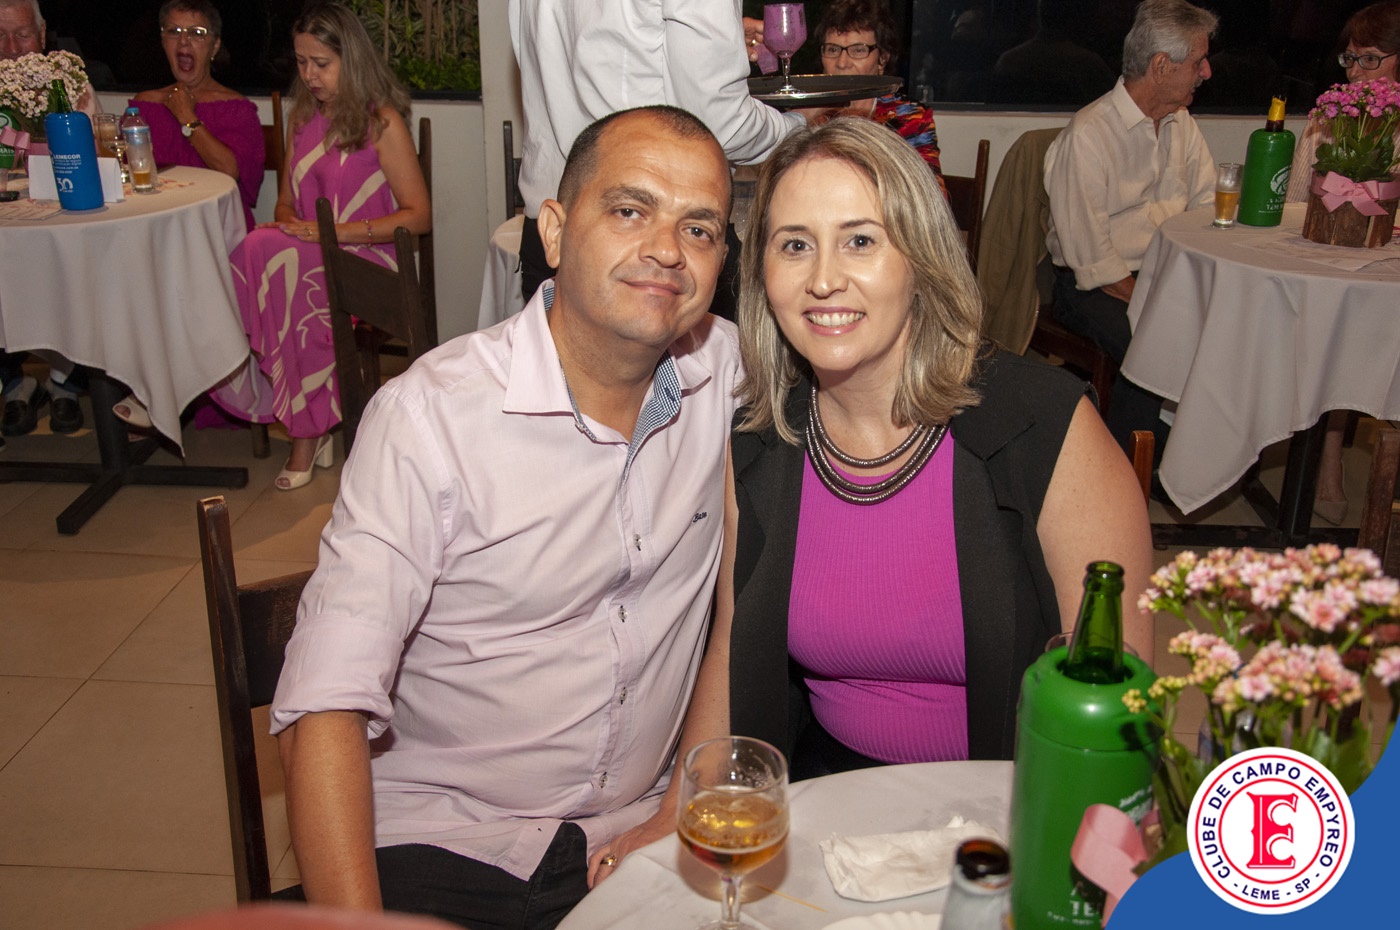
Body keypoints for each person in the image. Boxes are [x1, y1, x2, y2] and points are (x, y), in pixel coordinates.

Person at [591, 118, 1153, 871]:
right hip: (824, 811)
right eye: (795, 245)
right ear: (761, 273)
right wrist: (676, 809)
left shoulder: (1045, 429)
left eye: (860, 240)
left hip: (1013, 813)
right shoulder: (759, 441)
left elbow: (1123, 710)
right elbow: (732, 642)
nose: (824, 279)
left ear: (921, 258)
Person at [270, 105, 742, 928]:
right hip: (447, 840)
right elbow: (324, 702)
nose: (667, 249)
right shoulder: (431, 419)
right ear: (554, 232)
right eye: (629, 210)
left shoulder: (728, 376)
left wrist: (681, 804)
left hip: (642, 835)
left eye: (698, 228)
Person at [205, 2, 429, 491]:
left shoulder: (382, 122)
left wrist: (331, 234)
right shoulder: (303, 118)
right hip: (311, 251)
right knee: (256, 247)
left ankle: (306, 432)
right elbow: (286, 202)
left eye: (321, 64)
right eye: (302, 62)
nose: (309, 76)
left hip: (368, 258)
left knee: (285, 267)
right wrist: (291, 225)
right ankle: (299, 413)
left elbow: (418, 215)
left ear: (352, 59)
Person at [508, 0, 804, 313]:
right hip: (656, 234)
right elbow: (724, 125)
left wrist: (684, 34)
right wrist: (799, 127)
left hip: (549, 230)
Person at [1043, 0, 1218, 456]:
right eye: (1198, 61)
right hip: (1094, 287)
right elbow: (1092, 259)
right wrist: (1155, 300)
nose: (1206, 72)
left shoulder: (1181, 124)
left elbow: (1206, 207)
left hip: (1163, 277)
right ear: (1161, 66)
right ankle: (1127, 470)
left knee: (1232, 327)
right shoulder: (1090, 135)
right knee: (1153, 345)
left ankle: (1192, 459)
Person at [1286, 0, 1400, 525]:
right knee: (1340, 323)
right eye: (1349, 59)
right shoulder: (1328, 119)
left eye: (1370, 59)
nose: (1355, 72)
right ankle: (1328, 451)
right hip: (1335, 261)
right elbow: (1296, 202)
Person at [0, 0, 91, 443]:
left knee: (81, 269)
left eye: (21, 35)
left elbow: (91, 155)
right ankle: (15, 384)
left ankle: (65, 381)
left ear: (41, 34)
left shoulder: (70, 84)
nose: (11, 48)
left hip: (62, 227)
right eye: (0, 37)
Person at [128, 0, 265, 232]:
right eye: (173, 31)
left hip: (215, 225)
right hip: (156, 225)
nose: (183, 41)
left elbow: (230, 171)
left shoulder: (236, 108)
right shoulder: (145, 106)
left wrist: (186, 116)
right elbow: (128, 178)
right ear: (163, 41)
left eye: (196, 33)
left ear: (215, 46)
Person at [814, 0, 947, 197]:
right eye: (833, 49)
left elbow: (931, 197)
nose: (842, 63)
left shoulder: (910, 119)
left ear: (882, 59)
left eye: (858, 50)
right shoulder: (808, 116)